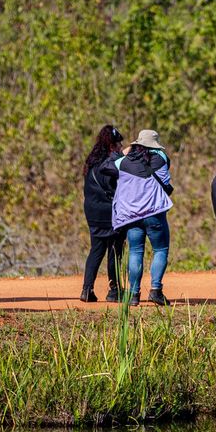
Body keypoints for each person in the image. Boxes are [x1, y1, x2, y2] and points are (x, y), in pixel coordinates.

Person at [112, 130, 174, 305]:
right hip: (154, 213)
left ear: (137, 144)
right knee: (160, 250)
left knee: (135, 251)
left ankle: (133, 295)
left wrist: (130, 148)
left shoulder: (124, 162)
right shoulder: (161, 158)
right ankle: (156, 290)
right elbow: (163, 161)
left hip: (132, 215)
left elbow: (110, 163)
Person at [79, 125, 126, 303]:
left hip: (92, 212)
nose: (120, 147)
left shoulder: (91, 162)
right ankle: (114, 291)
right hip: (110, 213)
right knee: (115, 250)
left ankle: (87, 289)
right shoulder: (112, 162)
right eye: (118, 144)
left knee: (96, 250)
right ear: (111, 145)